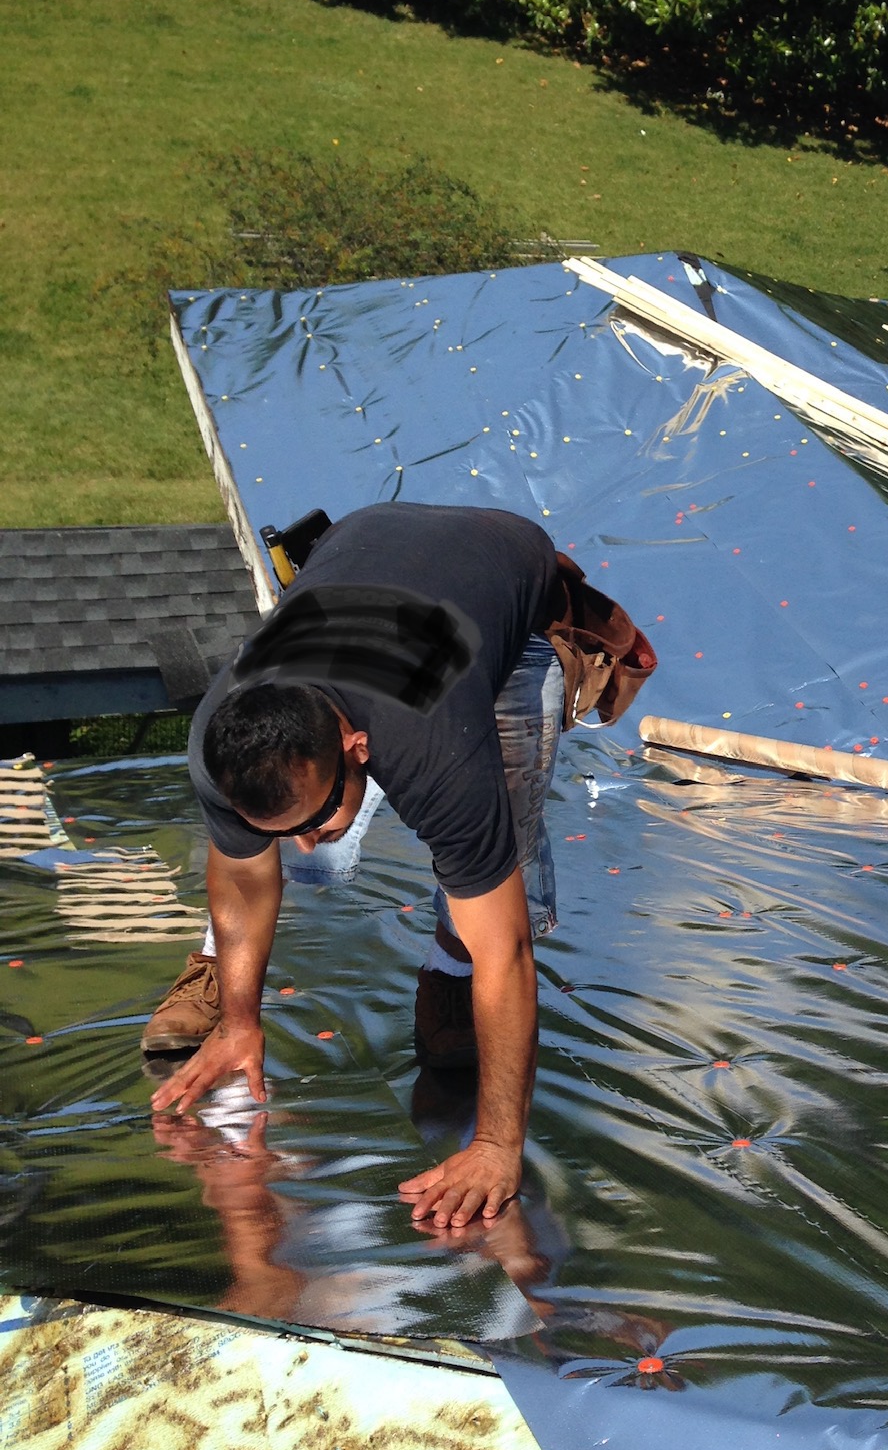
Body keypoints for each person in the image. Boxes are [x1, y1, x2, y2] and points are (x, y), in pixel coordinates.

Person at [142, 501, 648, 1231]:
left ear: (356, 746)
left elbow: (505, 949)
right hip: (365, 548)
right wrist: (239, 1021)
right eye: (290, 829)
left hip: (500, 580)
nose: (308, 842)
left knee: (498, 845)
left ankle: (445, 980)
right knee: (281, 856)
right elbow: (247, 874)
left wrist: (499, 1145)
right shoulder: (220, 739)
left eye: (318, 818)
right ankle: (219, 986)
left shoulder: (437, 747)